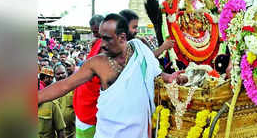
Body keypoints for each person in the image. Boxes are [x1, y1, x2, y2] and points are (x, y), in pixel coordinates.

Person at [38, 13, 187, 138]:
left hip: (139, 132)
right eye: (101, 37)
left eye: (107, 38)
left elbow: (156, 72)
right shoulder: (97, 63)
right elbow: (65, 85)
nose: (101, 43)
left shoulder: (140, 50)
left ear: (122, 38)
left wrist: (170, 77)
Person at [72, 15, 104, 138]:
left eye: (97, 31)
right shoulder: (99, 43)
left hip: (90, 107)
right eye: (94, 32)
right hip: (85, 104)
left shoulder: (106, 45)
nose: (96, 35)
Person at [38, 66, 66, 138]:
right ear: (45, 78)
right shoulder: (43, 90)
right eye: (50, 78)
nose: (51, 80)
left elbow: (61, 131)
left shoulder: (51, 103)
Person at [54, 64, 75, 138]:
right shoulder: (51, 91)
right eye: (58, 74)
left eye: (62, 73)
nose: (60, 75)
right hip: (56, 134)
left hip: (73, 133)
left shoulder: (74, 89)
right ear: (54, 76)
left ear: (66, 73)